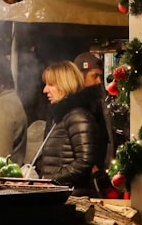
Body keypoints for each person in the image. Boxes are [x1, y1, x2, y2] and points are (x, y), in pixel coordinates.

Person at [35, 61, 105, 195]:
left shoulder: (78, 116)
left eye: (51, 84)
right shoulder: (60, 117)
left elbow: (85, 162)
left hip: (73, 196)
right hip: (60, 194)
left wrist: (50, 180)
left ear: (65, 84)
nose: (45, 90)